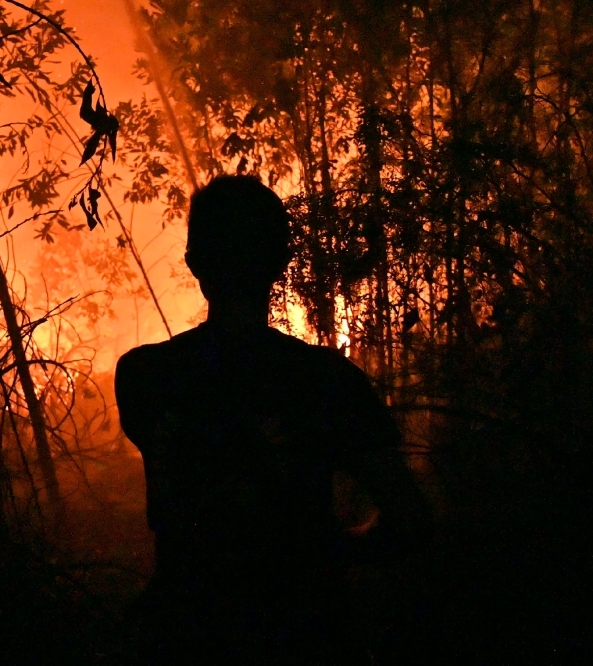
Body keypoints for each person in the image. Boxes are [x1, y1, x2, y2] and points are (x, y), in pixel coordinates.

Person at [115, 175, 431, 664]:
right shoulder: (328, 382)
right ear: (280, 265)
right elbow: (409, 519)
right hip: (305, 637)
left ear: (195, 263)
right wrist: (331, 550)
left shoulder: (144, 377)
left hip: (184, 637)